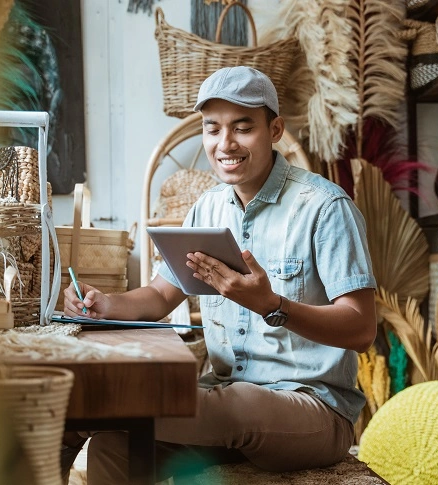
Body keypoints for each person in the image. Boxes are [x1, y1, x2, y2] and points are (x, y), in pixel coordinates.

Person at [63, 66, 377, 484]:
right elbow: (160, 296)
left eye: (243, 128)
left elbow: (361, 328)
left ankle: (73, 416)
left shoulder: (324, 207)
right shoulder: (206, 208)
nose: (225, 143)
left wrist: (272, 306)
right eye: (213, 129)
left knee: (230, 405)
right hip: (226, 401)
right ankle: (77, 419)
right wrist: (103, 303)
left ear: (275, 129)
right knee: (112, 448)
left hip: (314, 410)